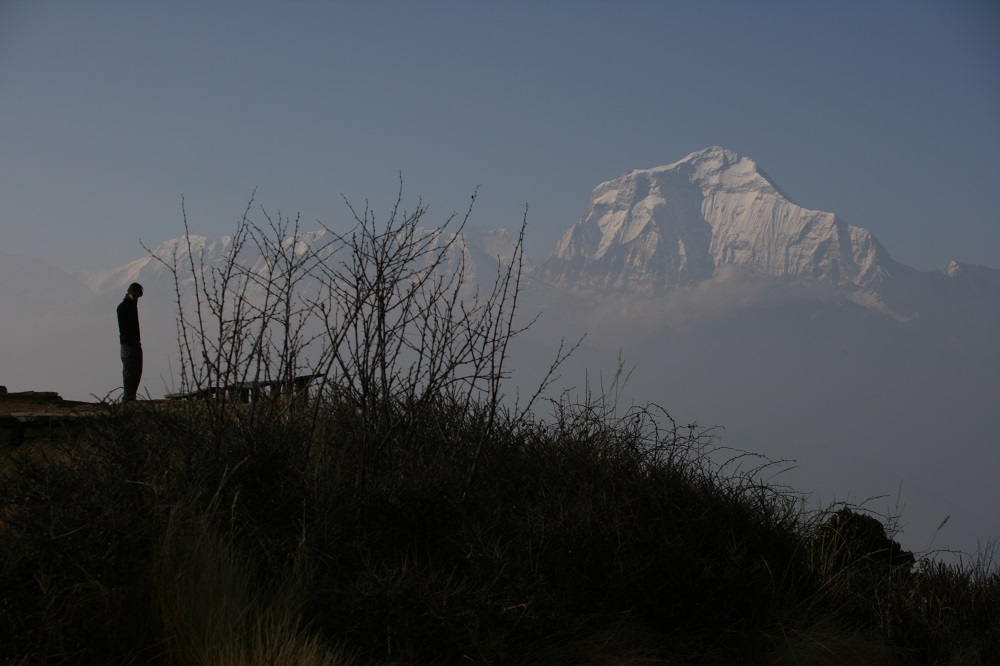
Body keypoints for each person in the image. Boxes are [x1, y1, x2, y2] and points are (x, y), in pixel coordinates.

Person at [117, 282, 144, 402]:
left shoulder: (132, 307)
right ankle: (128, 397)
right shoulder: (123, 307)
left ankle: (131, 396)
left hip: (135, 342)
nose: (136, 298)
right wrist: (130, 343)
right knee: (129, 371)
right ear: (129, 293)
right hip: (128, 344)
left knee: (137, 369)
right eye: (135, 295)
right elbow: (124, 329)